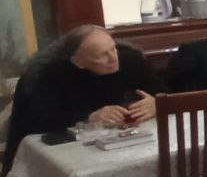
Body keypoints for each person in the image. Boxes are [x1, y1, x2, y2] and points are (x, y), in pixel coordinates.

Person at [21, 26, 163, 132]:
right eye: (102, 55)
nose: (113, 58)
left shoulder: (132, 60)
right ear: (78, 62)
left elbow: (167, 94)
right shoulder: (54, 74)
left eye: (113, 49)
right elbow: (39, 120)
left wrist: (157, 104)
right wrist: (89, 117)